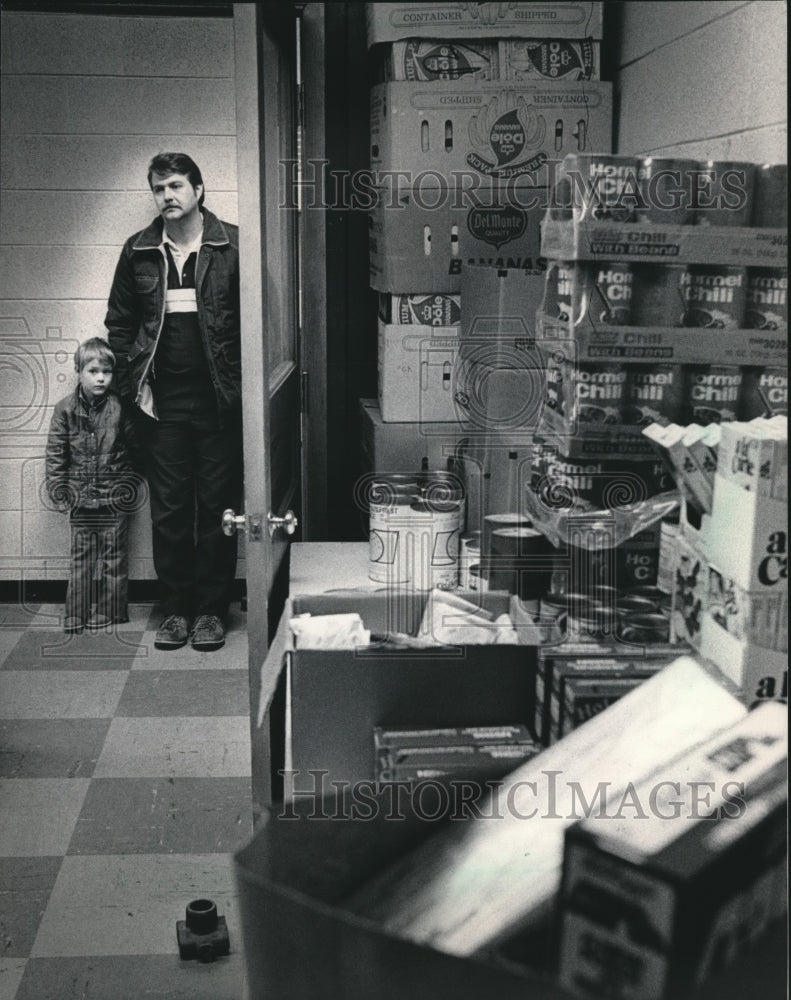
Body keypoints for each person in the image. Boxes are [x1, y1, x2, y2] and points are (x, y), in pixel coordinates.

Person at [105, 152, 242, 652]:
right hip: (159, 407)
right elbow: (120, 323)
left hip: (219, 405)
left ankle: (211, 610)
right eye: (159, 188)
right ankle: (177, 609)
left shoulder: (232, 248)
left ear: (199, 190)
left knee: (218, 511)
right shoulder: (139, 250)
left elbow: (257, 324)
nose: (167, 196)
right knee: (169, 512)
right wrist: (129, 384)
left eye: (177, 185)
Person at [45, 338, 141, 633]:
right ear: (79, 370)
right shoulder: (65, 410)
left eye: (107, 372)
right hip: (80, 498)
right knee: (82, 558)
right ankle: (76, 611)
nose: (101, 377)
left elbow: (136, 449)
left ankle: (113, 609)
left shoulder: (120, 408)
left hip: (114, 499)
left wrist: (127, 484)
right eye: (93, 370)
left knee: (114, 557)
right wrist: (58, 489)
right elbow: (56, 451)